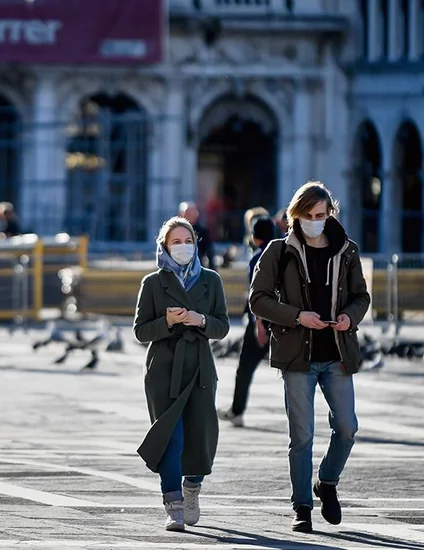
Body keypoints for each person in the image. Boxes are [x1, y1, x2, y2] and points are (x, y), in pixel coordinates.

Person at [249, 182, 370, 533]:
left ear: (330, 213)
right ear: (295, 216)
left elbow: (361, 297)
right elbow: (258, 299)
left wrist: (350, 316)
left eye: (321, 215)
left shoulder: (347, 250)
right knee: (301, 436)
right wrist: (297, 316)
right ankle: (301, 505)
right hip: (296, 355)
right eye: (308, 216)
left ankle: (326, 482)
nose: (315, 221)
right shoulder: (278, 251)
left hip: (337, 353)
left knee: (347, 428)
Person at [133, 216, 230, 532]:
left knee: (200, 435)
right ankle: (173, 504)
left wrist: (199, 320)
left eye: (188, 241)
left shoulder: (211, 280)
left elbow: (222, 326)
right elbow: (140, 331)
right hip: (164, 369)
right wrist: (169, 322)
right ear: (164, 247)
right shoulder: (152, 282)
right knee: (170, 439)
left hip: (200, 368)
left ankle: (192, 487)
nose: (183, 247)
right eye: (176, 242)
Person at [218, 216, 277, 427]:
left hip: (263, 321)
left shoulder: (257, 259)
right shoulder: (284, 253)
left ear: (255, 237)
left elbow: (257, 294)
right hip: (284, 321)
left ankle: (237, 410)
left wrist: (259, 324)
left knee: (245, 369)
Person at [179, 202, 216, 269]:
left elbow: (210, 252)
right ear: (182, 214)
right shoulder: (176, 231)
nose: (192, 215)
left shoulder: (203, 231)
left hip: (197, 268)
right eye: (189, 213)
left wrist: (213, 269)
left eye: (193, 213)